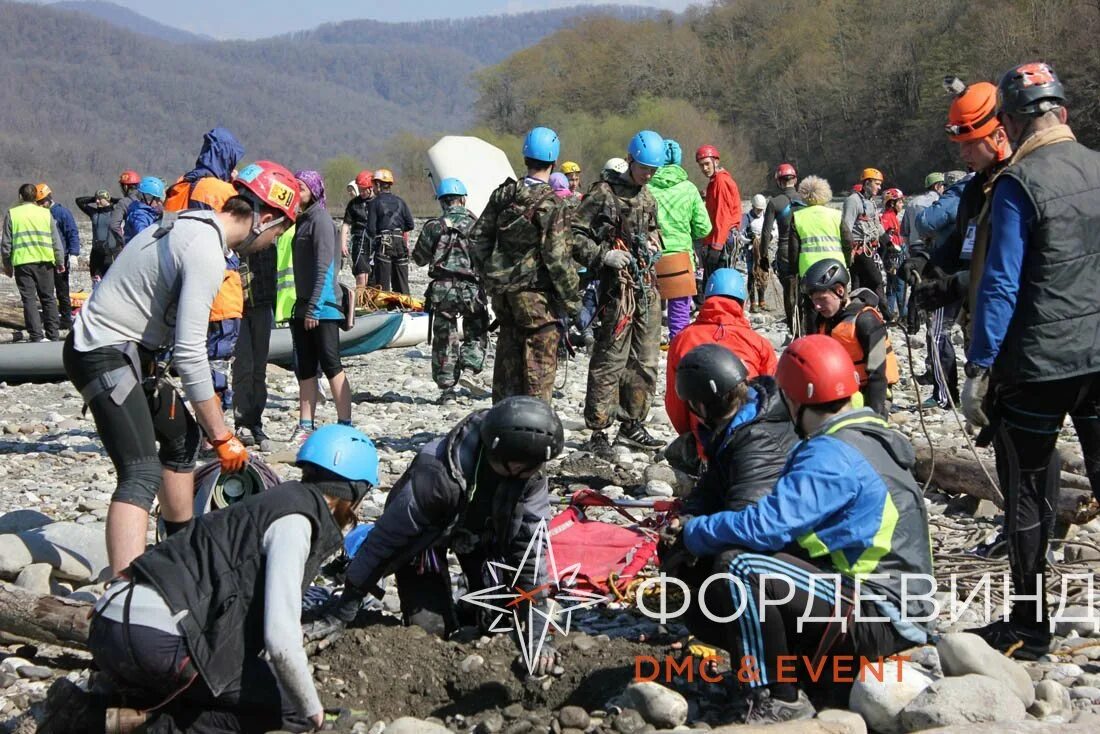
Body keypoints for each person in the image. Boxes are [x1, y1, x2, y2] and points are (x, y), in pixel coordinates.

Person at [665, 334, 933, 724]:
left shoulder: (829, 453)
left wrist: (694, 533)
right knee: (749, 564)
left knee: (739, 567)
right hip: (899, 605)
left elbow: (765, 526)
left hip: (881, 613)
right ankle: (806, 677)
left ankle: (779, 696)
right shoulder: (868, 434)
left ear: (795, 399)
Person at [46, 426, 379, 733]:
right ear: (354, 492)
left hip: (108, 625)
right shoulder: (296, 523)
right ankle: (119, 726)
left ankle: (98, 709)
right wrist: (314, 715)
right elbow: (281, 640)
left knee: (221, 688)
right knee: (288, 708)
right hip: (156, 641)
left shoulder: (270, 503)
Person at [62, 160, 299, 575]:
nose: (272, 243)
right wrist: (223, 437)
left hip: (135, 355)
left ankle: (178, 553)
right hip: (102, 352)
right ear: (265, 219)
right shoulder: (206, 250)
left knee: (183, 439)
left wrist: (207, 433)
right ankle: (124, 591)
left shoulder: (193, 223)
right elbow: (191, 356)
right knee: (139, 470)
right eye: (278, 233)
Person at [962, 62, 1100, 658]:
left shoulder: (1020, 182)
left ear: (1014, 123)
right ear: (1063, 112)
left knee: (1025, 495)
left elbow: (1000, 284)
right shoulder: (1098, 168)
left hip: (1039, 366)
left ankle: (1029, 626)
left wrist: (978, 366)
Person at [307, 397, 566, 676]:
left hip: (482, 539)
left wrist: (539, 633)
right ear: (491, 448)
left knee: (501, 623)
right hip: (423, 541)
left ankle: (470, 603)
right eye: (508, 466)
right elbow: (384, 542)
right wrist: (342, 611)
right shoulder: (435, 477)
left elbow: (530, 549)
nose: (516, 474)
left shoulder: (531, 477)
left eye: (525, 469)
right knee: (430, 632)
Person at [904, 77, 1015, 410]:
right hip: (981, 314)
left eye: (971, 143)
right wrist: (926, 264)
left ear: (999, 134)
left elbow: (1014, 268)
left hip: (1017, 328)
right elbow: (959, 241)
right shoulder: (974, 189)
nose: (963, 153)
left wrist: (955, 284)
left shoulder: (1018, 186)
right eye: (961, 143)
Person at [573, 130, 666, 452]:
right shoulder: (602, 193)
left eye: (654, 170)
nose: (648, 175)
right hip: (617, 291)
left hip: (646, 288)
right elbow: (573, 234)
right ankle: (599, 430)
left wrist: (656, 242)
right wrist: (603, 255)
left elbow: (654, 229)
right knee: (610, 359)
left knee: (645, 360)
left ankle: (633, 423)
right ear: (630, 161)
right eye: (644, 168)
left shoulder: (648, 197)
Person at [470, 126, 577, 404]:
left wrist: (490, 276)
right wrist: (572, 301)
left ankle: (502, 428)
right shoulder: (553, 203)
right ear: (553, 161)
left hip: (504, 296)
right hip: (537, 300)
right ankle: (534, 432)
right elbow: (557, 258)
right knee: (538, 371)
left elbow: (478, 238)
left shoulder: (503, 195)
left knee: (508, 364)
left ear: (525, 157)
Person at [665, 269, 778, 457]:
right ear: (742, 302)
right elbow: (773, 397)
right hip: (751, 443)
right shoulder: (759, 343)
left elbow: (675, 403)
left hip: (705, 440)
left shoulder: (683, 339)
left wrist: (691, 436)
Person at [289, 170, 353, 445]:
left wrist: (315, 306)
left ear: (314, 190)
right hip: (304, 305)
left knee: (331, 364)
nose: (297, 191)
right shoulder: (302, 220)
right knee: (304, 368)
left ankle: (345, 423)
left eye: (301, 187)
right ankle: (306, 425)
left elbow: (324, 265)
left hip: (323, 307)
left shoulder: (321, 220)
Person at [412, 177, 489, 401]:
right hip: (472, 290)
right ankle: (469, 370)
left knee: (444, 339)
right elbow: (488, 258)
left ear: (442, 202)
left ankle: (447, 389)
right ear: (463, 200)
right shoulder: (478, 224)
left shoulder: (434, 226)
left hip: (442, 290)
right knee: (476, 331)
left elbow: (418, 258)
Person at [804, 258, 898, 417]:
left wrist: (876, 418)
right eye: (814, 300)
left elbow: (878, 374)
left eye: (821, 299)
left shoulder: (866, 320)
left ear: (839, 291)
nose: (817, 306)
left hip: (869, 393)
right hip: (840, 389)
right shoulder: (824, 320)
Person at [913, 169, 973, 409]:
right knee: (972, 335)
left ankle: (945, 394)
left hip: (947, 274)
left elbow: (926, 221)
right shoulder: (987, 193)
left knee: (938, 333)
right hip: (971, 274)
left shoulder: (958, 194)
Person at [649, 138, 712, 340]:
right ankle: (678, 353)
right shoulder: (689, 189)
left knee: (649, 314)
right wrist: (687, 232)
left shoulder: (646, 188)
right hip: (681, 259)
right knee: (679, 316)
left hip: (651, 258)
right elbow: (704, 228)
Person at [233, 211, 279, 451]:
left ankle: (256, 421)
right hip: (238, 307)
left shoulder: (271, 233)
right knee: (243, 366)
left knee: (259, 367)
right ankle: (241, 421)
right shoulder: (237, 232)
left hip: (262, 304)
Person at [1, 183, 64, 342]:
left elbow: (6, 244)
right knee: (48, 298)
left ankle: (36, 336)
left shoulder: (12, 214)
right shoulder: (45, 213)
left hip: (23, 263)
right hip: (45, 262)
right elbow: (55, 240)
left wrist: (7, 265)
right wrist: (60, 260)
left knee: (28, 299)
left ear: (20, 197)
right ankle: (53, 335)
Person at [788, 175, 843, 334]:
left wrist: (793, 271)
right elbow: (847, 241)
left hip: (809, 270)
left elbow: (794, 249)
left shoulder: (798, 217)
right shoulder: (836, 215)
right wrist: (847, 262)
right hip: (836, 268)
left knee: (812, 308)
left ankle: (814, 342)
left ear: (803, 194)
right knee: (837, 305)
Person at [163, 127, 245, 213]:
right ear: (227, 160)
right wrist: (236, 188)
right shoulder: (225, 192)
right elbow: (242, 218)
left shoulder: (182, 182)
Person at [761, 163, 802, 332]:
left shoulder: (775, 203)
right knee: (804, 289)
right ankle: (805, 324)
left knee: (789, 290)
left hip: (785, 249)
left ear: (778, 181)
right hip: (805, 249)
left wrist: (764, 257)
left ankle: (793, 328)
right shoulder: (807, 199)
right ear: (796, 179)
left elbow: (765, 233)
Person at [696, 144, 743, 287]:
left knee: (721, 284)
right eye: (701, 165)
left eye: (707, 164)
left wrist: (716, 247)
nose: (704, 168)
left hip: (723, 239)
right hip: (720, 238)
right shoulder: (714, 182)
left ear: (716, 162)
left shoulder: (721, 182)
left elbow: (723, 216)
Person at [37, 184, 80, 331]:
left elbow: (72, 233)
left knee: (62, 291)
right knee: (46, 291)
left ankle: (66, 320)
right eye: (38, 203)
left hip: (61, 258)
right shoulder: (38, 214)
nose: (41, 205)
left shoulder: (62, 213)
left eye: (42, 202)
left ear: (49, 199)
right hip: (44, 258)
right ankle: (51, 319)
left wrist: (73, 253)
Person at [841, 167, 887, 305]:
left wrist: (888, 243)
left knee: (859, 282)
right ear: (867, 183)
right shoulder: (853, 201)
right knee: (877, 280)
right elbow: (846, 227)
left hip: (870, 249)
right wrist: (848, 252)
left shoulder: (871, 202)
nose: (879, 188)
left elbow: (877, 225)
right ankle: (887, 313)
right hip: (859, 250)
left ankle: (857, 310)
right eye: (877, 184)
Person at [369, 168, 414, 294]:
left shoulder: (374, 203)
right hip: (400, 244)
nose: (372, 188)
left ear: (378, 184)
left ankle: (384, 310)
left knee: (382, 287)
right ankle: (405, 308)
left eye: (373, 184)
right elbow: (410, 224)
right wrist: (397, 232)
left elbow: (371, 230)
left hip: (383, 245)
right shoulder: (401, 201)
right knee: (402, 284)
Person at [75, 188, 120, 281]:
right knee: (96, 280)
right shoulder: (94, 213)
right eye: (96, 199)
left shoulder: (115, 213)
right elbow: (79, 201)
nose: (97, 201)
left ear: (107, 199)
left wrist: (112, 200)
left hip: (111, 252)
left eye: (100, 199)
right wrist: (94, 198)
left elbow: (124, 202)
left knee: (110, 280)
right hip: (96, 252)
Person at [741, 194, 776, 311]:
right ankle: (752, 303)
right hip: (751, 251)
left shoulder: (766, 217)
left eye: (761, 209)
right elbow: (740, 235)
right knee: (752, 274)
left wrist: (769, 237)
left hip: (764, 250)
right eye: (757, 209)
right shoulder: (746, 218)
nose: (759, 211)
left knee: (763, 274)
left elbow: (775, 231)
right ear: (753, 206)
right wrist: (750, 239)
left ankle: (762, 301)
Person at [341, 170, 376, 287]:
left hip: (376, 241)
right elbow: (346, 224)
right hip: (359, 240)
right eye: (359, 189)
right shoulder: (353, 204)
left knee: (375, 275)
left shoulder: (379, 201)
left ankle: (373, 301)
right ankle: (360, 302)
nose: (360, 192)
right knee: (361, 274)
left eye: (363, 190)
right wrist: (343, 244)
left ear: (371, 188)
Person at [880, 188, 907, 324]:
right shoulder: (887, 217)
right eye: (900, 202)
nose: (902, 205)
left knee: (892, 285)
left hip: (894, 254)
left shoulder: (892, 216)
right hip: (893, 255)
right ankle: (904, 314)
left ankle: (890, 313)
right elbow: (885, 237)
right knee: (899, 285)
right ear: (892, 203)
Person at [900, 173, 944, 250]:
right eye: (944, 185)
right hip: (935, 247)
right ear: (937, 186)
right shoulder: (942, 202)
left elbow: (904, 232)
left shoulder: (912, 203)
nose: (945, 188)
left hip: (914, 247)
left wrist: (908, 250)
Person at [123, 176, 166, 244]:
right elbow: (143, 236)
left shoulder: (149, 211)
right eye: (156, 199)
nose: (158, 202)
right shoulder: (138, 215)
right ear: (146, 197)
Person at [109, 170, 140, 254]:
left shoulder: (123, 202)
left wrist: (122, 241)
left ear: (126, 187)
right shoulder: (147, 199)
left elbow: (114, 225)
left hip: (130, 244)